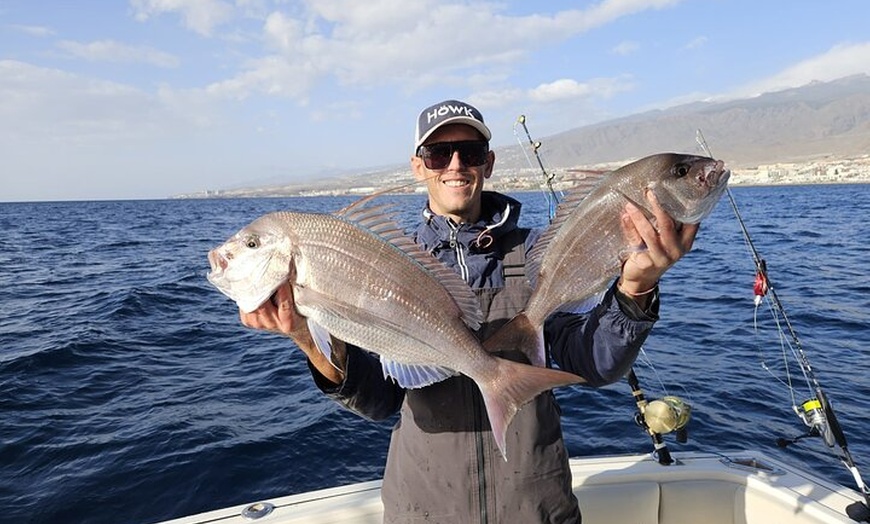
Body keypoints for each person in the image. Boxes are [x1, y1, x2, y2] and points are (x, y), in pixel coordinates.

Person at [240, 99, 699, 523]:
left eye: (470, 151)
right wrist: (305, 334)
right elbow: (380, 401)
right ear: (418, 166)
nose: (455, 165)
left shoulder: (540, 252)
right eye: (439, 153)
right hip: (425, 509)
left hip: (536, 508)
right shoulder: (390, 260)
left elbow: (594, 365)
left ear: (488, 162)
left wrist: (636, 288)